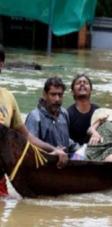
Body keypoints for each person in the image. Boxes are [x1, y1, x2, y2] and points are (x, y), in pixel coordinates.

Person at [0, 45, 67, 196]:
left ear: (2, 64)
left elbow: (26, 136)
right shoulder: (36, 116)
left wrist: (53, 150)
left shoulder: (8, 98)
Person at [25, 77, 79, 156]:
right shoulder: (35, 117)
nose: (57, 99)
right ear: (45, 94)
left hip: (65, 162)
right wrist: (52, 154)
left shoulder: (64, 113)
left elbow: (66, 140)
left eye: (60, 95)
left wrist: (79, 149)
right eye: (53, 94)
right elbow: (30, 147)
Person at [67, 74, 99, 145]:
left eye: (86, 83)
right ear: (72, 91)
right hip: (74, 153)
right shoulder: (67, 114)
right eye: (78, 83)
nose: (82, 84)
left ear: (91, 90)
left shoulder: (98, 111)